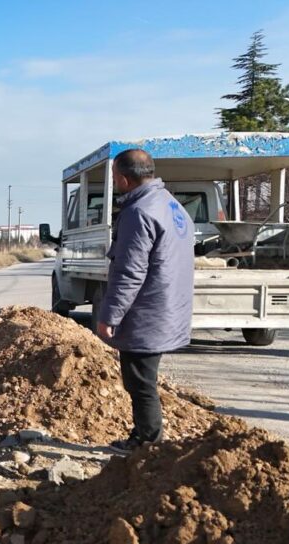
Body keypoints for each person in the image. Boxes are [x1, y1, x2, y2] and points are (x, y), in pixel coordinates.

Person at [95, 148, 194, 452]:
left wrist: (109, 316)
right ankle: (145, 436)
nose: (115, 182)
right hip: (168, 307)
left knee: (140, 383)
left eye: (114, 177)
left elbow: (130, 271)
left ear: (124, 179)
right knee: (144, 380)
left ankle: (147, 444)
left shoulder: (139, 212)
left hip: (148, 312)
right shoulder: (170, 204)